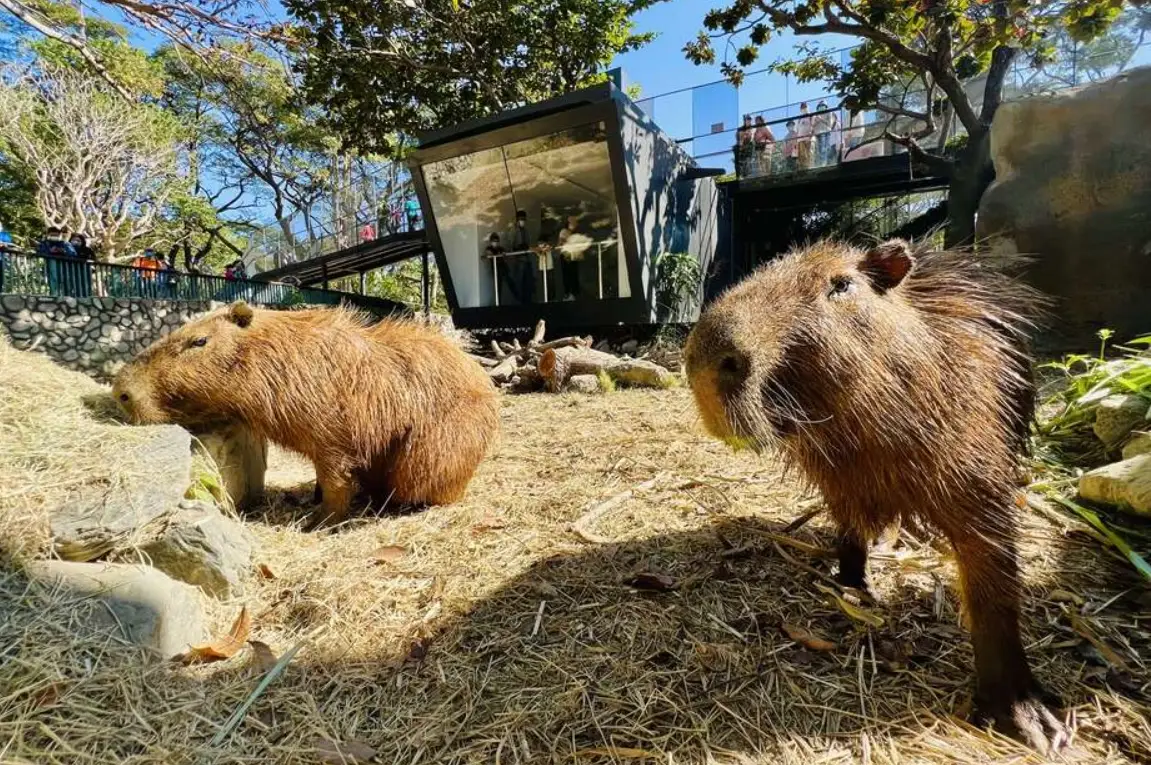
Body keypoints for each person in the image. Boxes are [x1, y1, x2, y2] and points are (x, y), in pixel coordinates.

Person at [813, 101, 838, 166]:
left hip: (825, 132)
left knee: (824, 148)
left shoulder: (829, 112)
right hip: (817, 134)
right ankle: (821, 163)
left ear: (826, 106)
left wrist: (821, 119)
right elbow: (813, 126)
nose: (821, 107)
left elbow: (829, 124)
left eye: (822, 105)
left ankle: (824, 163)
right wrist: (816, 121)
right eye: (820, 106)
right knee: (819, 150)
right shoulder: (816, 114)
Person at [796, 103, 814, 171]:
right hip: (800, 140)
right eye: (802, 107)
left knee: (809, 154)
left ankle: (810, 169)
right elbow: (797, 130)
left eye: (805, 106)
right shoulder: (799, 118)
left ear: (808, 107)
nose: (803, 108)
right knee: (801, 156)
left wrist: (810, 134)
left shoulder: (811, 115)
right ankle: (803, 170)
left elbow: (813, 125)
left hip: (808, 139)